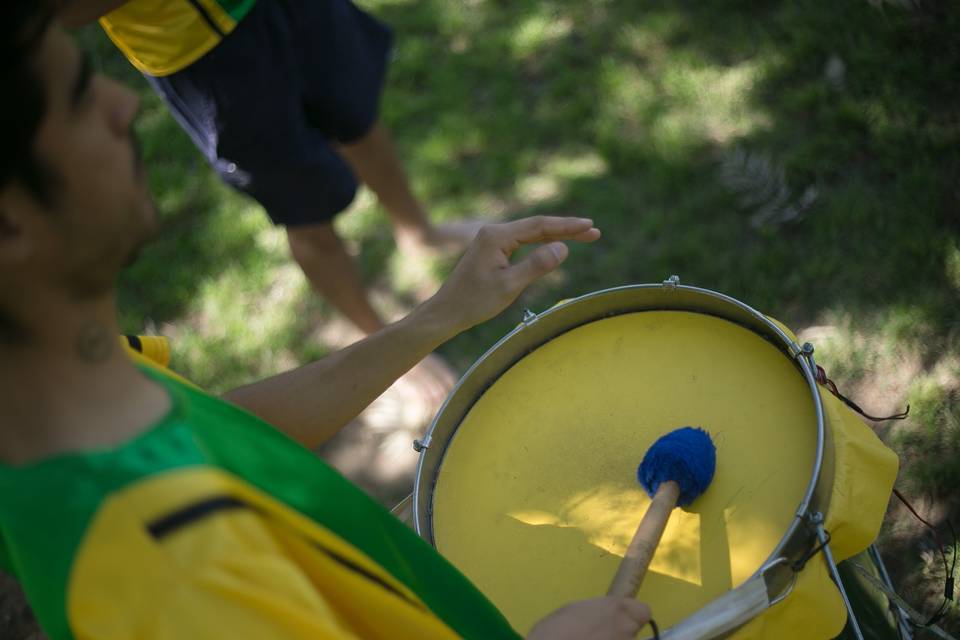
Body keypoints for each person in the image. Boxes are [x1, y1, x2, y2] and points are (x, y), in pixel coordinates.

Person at [0, 5, 655, 639]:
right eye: (81, 99)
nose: (126, 105)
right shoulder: (173, 581)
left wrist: (435, 319)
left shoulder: (76, 395)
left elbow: (230, 433)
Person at [58, 0, 485, 337]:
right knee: (304, 208)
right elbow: (68, 10)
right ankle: (379, 343)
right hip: (200, 53)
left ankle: (419, 234)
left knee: (358, 118)